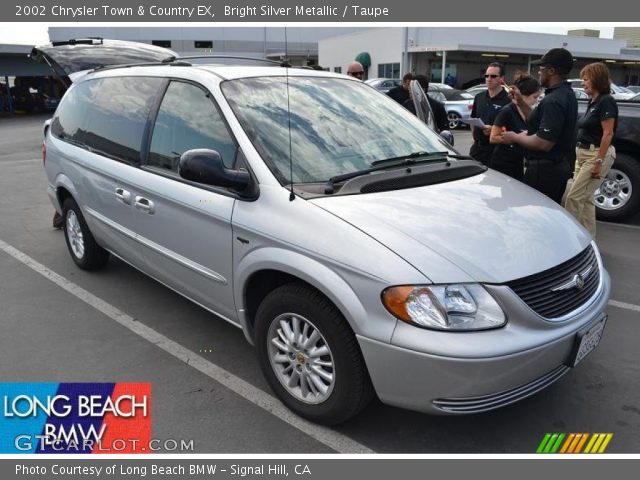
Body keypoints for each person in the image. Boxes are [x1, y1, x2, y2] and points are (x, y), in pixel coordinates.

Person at [502, 48, 578, 204]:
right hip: (555, 168)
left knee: (536, 216)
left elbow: (544, 143)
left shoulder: (554, 100)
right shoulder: (566, 94)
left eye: (541, 69)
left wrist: (514, 137)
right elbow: (537, 121)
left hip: (545, 172)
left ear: (551, 71)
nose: (539, 73)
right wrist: (521, 103)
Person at [565, 62, 618, 236]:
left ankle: (571, 239)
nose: (583, 83)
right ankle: (589, 237)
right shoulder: (593, 101)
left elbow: (608, 134)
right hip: (582, 155)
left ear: (596, 79)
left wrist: (598, 161)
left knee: (574, 197)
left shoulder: (606, 101)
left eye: (586, 79)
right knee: (586, 199)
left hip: (595, 155)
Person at [489, 73, 540, 181]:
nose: (536, 100)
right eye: (534, 97)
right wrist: (516, 138)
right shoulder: (507, 111)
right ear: (522, 95)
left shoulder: (530, 113)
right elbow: (493, 137)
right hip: (503, 162)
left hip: (519, 161)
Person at [469, 62, 511, 166]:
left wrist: (494, 130)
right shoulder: (479, 97)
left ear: (501, 78)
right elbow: (473, 119)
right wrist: (474, 137)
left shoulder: (508, 100)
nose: (489, 78)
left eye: (493, 76)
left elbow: (514, 128)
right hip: (478, 149)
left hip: (498, 151)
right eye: (486, 76)